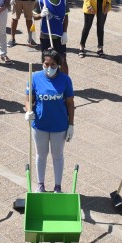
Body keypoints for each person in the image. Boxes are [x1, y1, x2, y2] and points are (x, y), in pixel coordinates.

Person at [25, 50, 75, 193]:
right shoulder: (33, 77)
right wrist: (28, 111)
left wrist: (71, 124)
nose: (49, 67)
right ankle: (40, 185)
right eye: (46, 64)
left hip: (59, 126)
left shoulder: (65, 80)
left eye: (53, 65)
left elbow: (70, 103)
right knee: (41, 154)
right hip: (40, 125)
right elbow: (28, 99)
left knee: (57, 155)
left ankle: (57, 186)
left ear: (58, 65)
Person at [34, 0, 69, 74]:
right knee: (47, 62)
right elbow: (34, 16)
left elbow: (66, 17)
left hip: (59, 35)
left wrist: (65, 32)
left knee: (62, 61)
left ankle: (65, 84)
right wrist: (41, 15)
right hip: (45, 36)